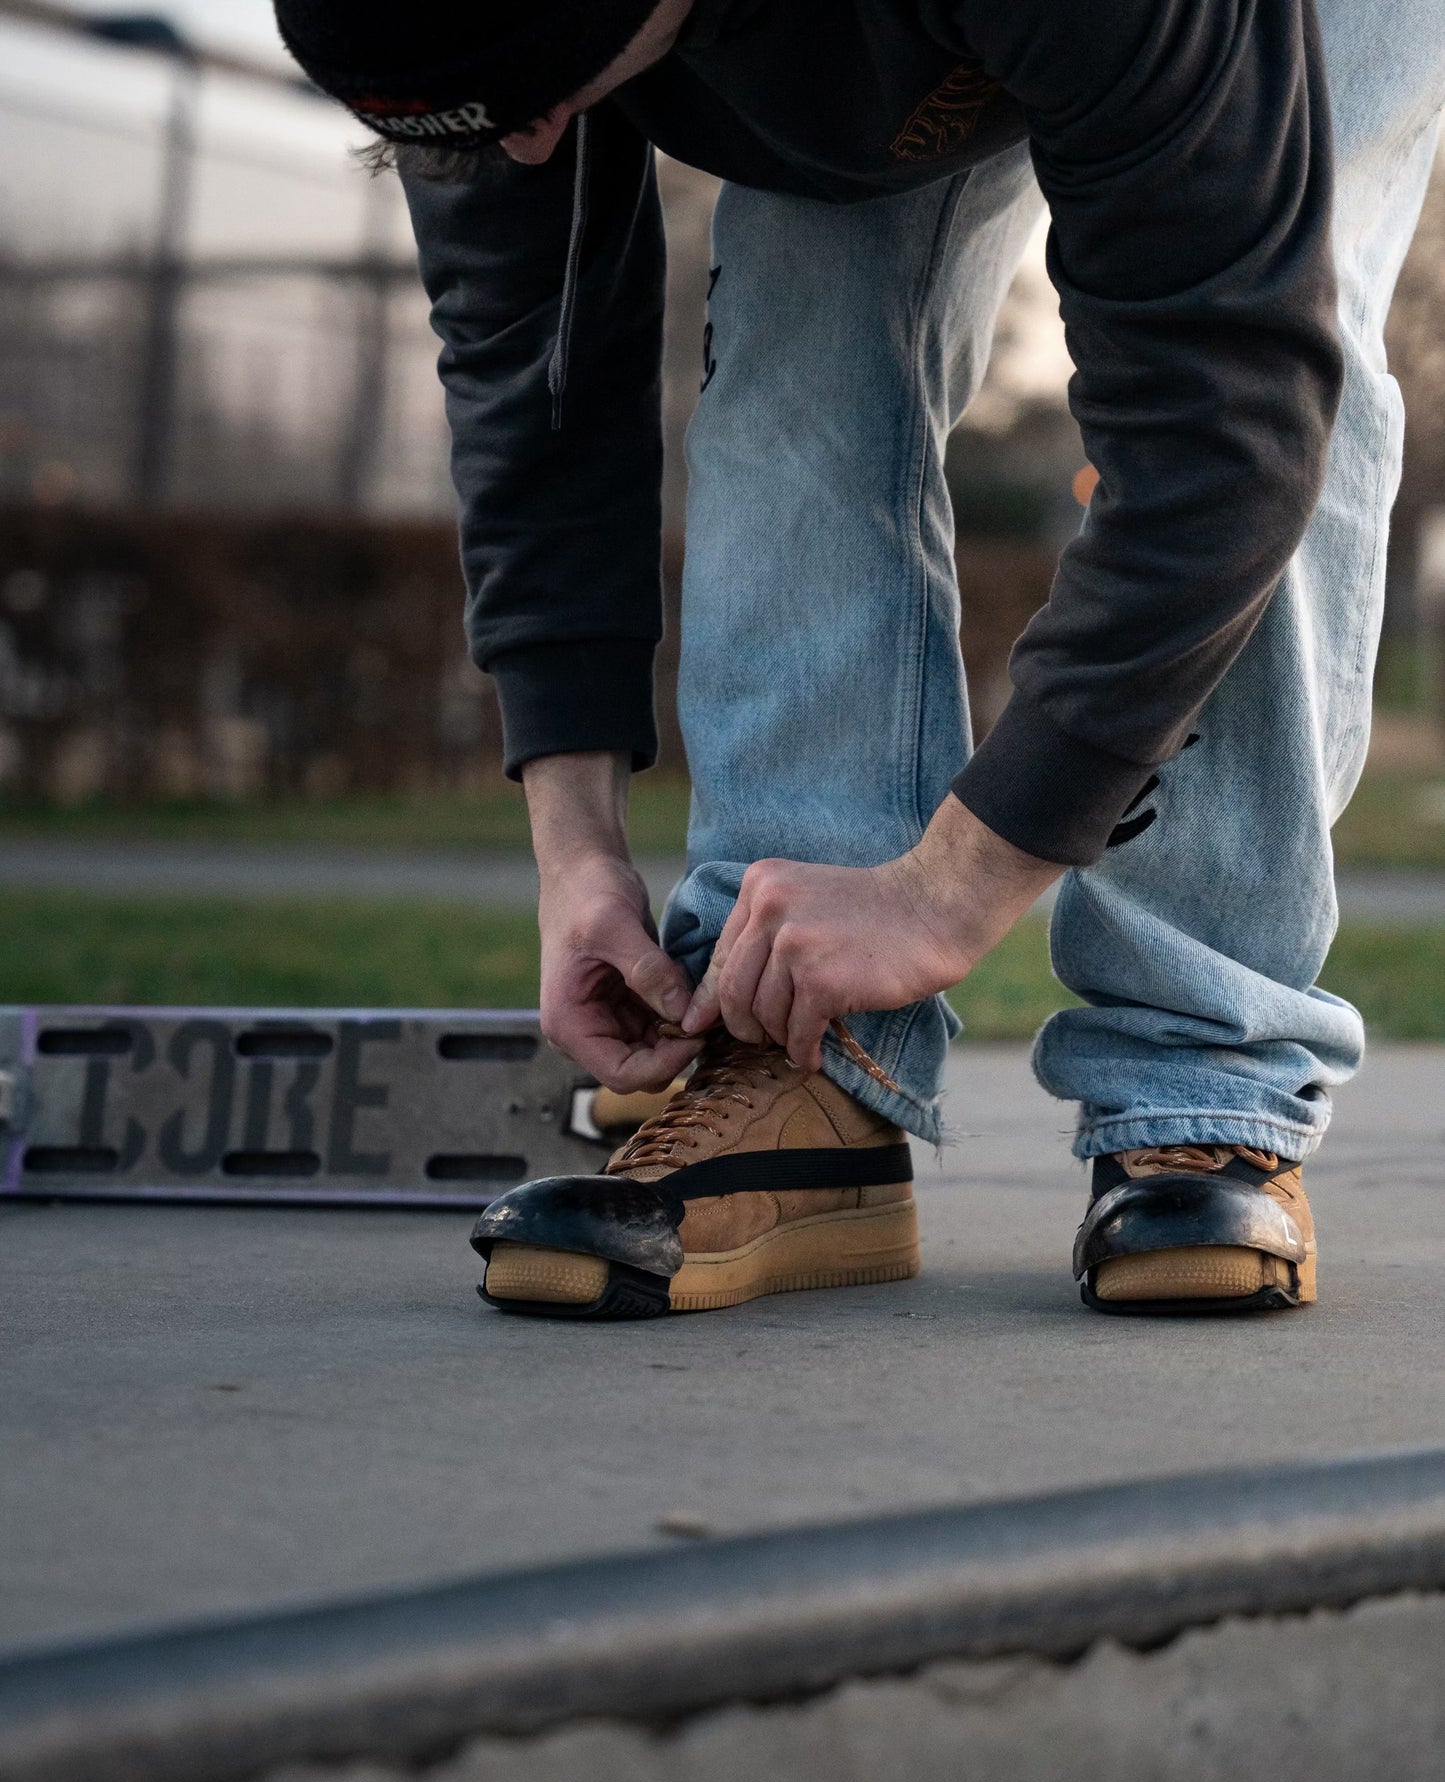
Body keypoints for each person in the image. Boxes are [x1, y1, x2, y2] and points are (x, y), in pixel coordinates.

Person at [276, 0, 1445, 1319]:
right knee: (798, 316)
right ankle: (801, 1048)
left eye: (541, 101)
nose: (531, 151)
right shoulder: (470, 58)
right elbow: (526, 368)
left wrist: (949, 889)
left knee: (1301, 306)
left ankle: (1202, 1068)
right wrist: (574, 850)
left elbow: (1226, 415)